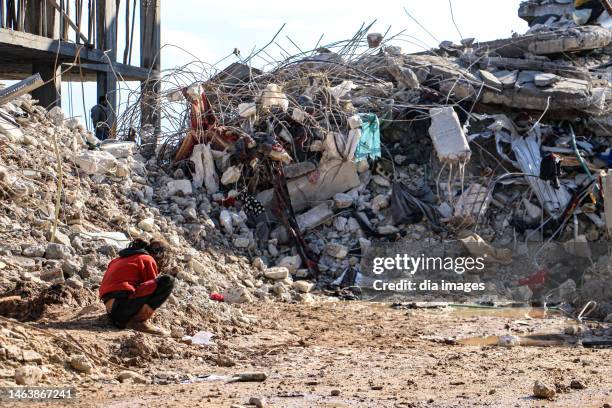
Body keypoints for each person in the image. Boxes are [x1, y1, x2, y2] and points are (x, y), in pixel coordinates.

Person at [99, 238, 174, 336]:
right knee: (168, 281)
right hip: (122, 308)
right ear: (160, 255)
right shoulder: (147, 259)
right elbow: (149, 289)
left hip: (111, 311)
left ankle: (125, 320)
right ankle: (137, 322)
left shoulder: (118, 259)